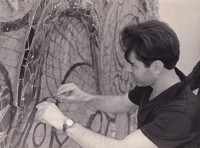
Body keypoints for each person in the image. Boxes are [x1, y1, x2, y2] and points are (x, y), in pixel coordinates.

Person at [36, 20, 200, 148]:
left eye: (133, 65)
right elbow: (122, 104)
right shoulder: (153, 83)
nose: (128, 69)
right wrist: (84, 97)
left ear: (156, 67)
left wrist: (63, 122)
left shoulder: (182, 113)